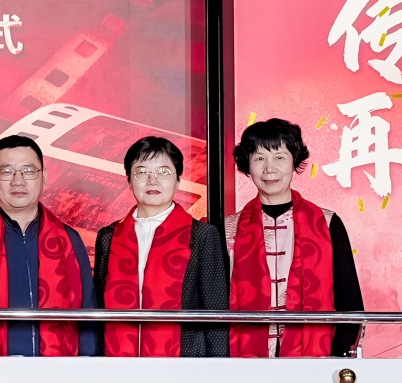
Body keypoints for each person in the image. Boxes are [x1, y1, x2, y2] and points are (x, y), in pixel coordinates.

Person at [0, 134, 97, 356]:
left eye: (28, 171)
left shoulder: (69, 241)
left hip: (59, 372)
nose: (18, 181)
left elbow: (88, 319)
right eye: (6, 171)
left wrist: (84, 370)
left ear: (44, 177)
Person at [225, 119, 364, 357]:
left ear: (294, 161)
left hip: (317, 357)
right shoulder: (229, 229)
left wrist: (338, 357)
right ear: (247, 165)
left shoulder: (327, 223)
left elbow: (349, 301)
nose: (270, 169)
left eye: (279, 157)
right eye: (259, 158)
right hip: (243, 358)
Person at [94, 136, 228, 357]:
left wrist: (218, 367)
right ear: (129, 181)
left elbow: (216, 312)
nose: (152, 181)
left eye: (163, 172)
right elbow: (100, 307)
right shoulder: (108, 237)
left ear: (178, 181)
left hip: (184, 362)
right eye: (142, 172)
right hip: (118, 363)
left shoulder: (202, 235)